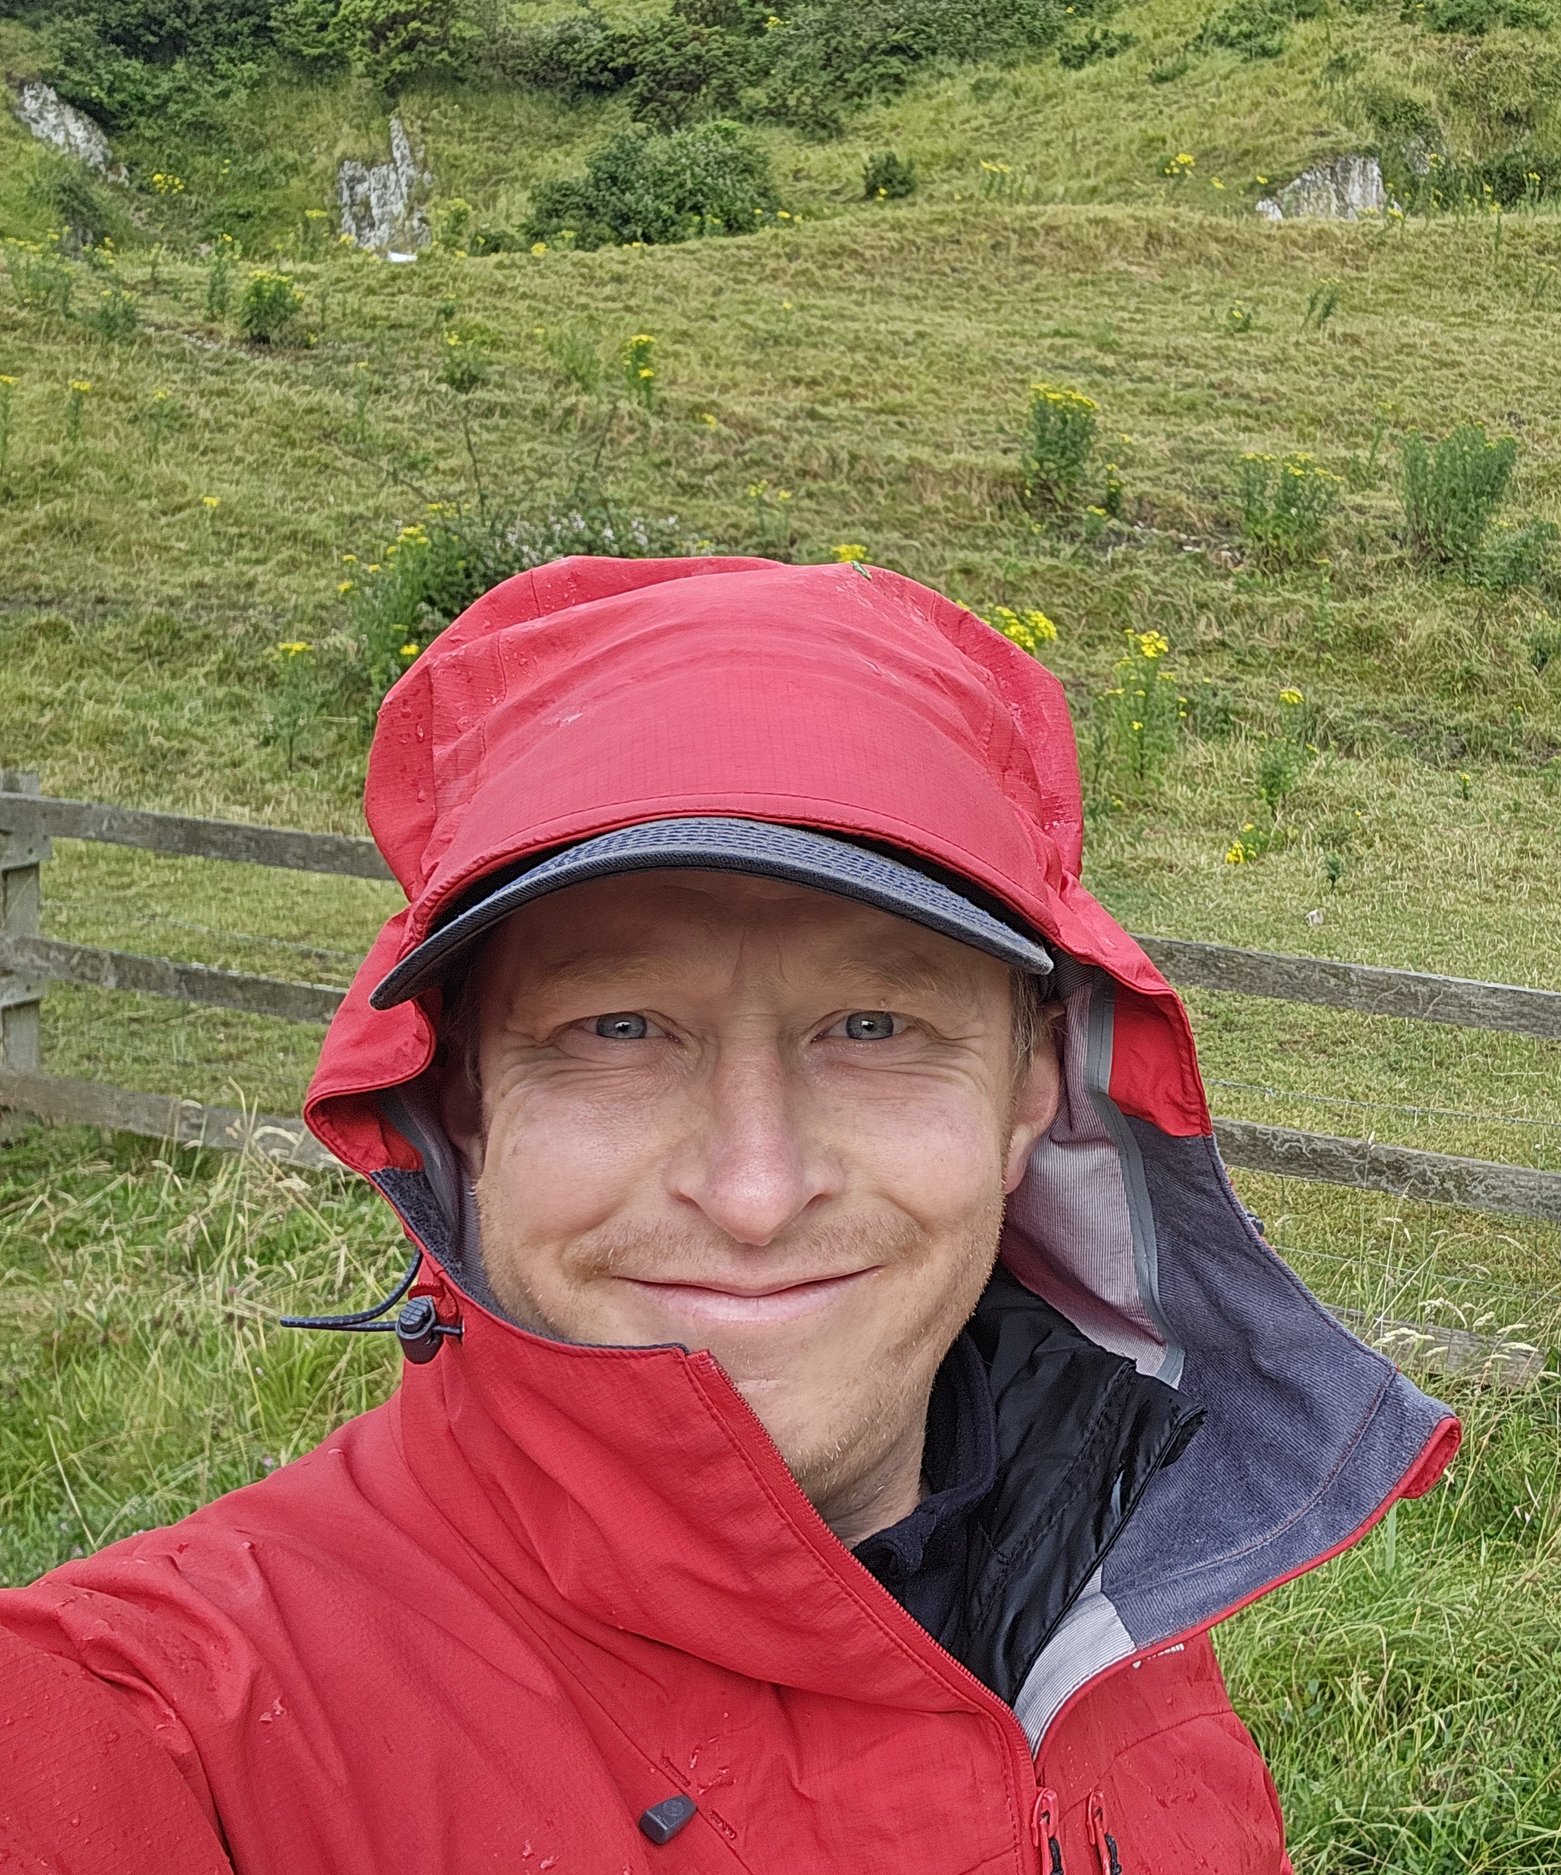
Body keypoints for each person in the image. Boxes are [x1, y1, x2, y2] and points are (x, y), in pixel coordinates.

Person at [0, 557, 1458, 1871]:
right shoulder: (153, 1731)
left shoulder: (1115, 1603)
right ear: (461, 1104)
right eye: (618, 1029)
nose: (756, 1192)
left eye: (874, 1027)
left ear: (1030, 1092)